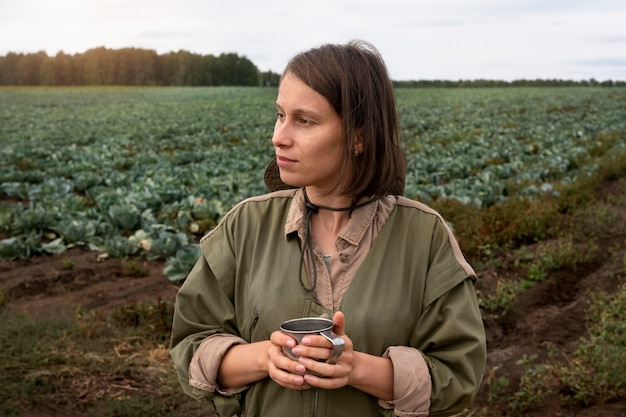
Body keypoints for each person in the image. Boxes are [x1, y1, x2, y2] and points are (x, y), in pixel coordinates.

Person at [170, 40, 486, 417]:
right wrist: (263, 357)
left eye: (304, 120)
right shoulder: (245, 227)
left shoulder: (424, 237)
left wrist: (360, 370)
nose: (279, 136)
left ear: (359, 136)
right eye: (280, 115)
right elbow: (191, 343)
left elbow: (459, 374)